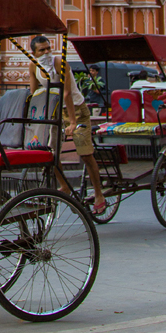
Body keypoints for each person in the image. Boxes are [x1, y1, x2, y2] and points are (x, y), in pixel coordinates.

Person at [28, 35, 106, 216]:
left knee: (85, 153)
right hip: (54, 111)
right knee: (51, 153)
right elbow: (34, 93)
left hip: (76, 109)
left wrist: (73, 122)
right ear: (34, 53)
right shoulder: (34, 66)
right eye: (42, 50)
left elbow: (67, 93)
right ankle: (64, 186)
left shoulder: (59, 63)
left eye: (48, 48)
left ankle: (99, 194)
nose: (47, 52)